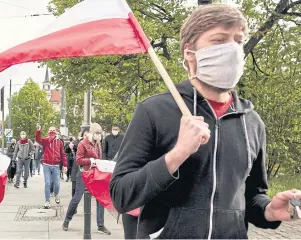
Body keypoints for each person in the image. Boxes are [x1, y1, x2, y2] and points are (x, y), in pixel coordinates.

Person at [110, 4, 301, 239]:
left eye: (238, 41)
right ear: (190, 53)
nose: (232, 49)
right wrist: (176, 155)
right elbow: (121, 195)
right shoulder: (154, 111)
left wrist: (270, 210)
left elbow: (251, 196)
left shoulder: (252, 121)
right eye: (219, 40)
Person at [62, 123, 111, 235]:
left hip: (94, 174)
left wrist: (100, 164)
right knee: (77, 197)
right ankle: (66, 220)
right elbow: (78, 160)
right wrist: (90, 161)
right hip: (83, 174)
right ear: (92, 133)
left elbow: (99, 157)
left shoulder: (98, 143)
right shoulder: (82, 143)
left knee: (100, 198)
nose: (99, 136)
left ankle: (101, 225)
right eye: (97, 134)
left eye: (100, 134)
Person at [36, 125, 67, 209]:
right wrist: (38, 131)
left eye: (53, 130)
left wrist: (65, 165)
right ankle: (47, 201)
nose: (52, 131)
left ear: (56, 132)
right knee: (47, 183)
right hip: (47, 165)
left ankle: (56, 194)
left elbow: (63, 154)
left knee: (57, 184)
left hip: (56, 165)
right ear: (48, 132)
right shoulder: (46, 140)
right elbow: (38, 140)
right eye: (50, 130)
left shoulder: (59, 142)